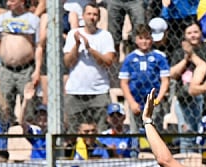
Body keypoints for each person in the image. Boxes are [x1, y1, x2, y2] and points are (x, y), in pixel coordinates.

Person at [62, 1, 116, 132]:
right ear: (83, 16)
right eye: (89, 14)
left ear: (99, 17)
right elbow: (67, 62)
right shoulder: (74, 34)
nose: (92, 17)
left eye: (95, 15)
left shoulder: (105, 36)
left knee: (101, 131)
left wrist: (90, 49)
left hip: (99, 91)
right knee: (72, 132)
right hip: (76, 91)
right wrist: (76, 45)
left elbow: (108, 61)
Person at [0, 0, 39, 124]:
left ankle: (28, 132)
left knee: (29, 109)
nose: (8, 3)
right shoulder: (2, 19)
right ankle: (4, 132)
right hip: (6, 70)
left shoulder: (33, 20)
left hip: (26, 70)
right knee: (3, 108)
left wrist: (37, 70)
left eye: (12, 0)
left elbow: (38, 47)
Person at [119, 24, 170, 130]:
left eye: (147, 38)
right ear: (136, 40)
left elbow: (165, 81)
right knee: (136, 131)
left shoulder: (159, 57)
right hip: (136, 100)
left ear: (152, 39)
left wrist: (158, 100)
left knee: (155, 129)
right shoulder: (130, 58)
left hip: (153, 100)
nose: (144, 41)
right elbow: (124, 83)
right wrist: (132, 102)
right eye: (141, 38)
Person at [168, 22, 206, 153]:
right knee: (186, 136)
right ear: (185, 36)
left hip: (202, 98)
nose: (193, 35)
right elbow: (172, 74)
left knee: (202, 135)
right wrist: (186, 59)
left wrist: (192, 54)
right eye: (189, 33)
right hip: (183, 98)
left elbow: (205, 66)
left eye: (195, 32)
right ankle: (186, 162)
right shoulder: (179, 53)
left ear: (201, 33)